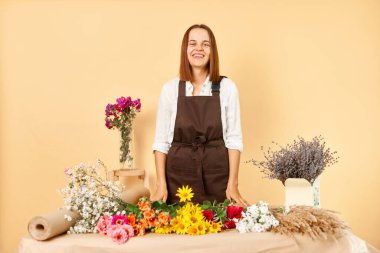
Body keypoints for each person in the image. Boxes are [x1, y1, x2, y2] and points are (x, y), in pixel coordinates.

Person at [151, 24, 248, 207]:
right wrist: (160, 184)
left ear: (212, 51)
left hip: (217, 176)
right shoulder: (170, 89)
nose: (199, 49)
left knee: (220, 229)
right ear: (185, 49)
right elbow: (161, 142)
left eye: (205, 44)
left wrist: (233, 184)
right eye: (193, 43)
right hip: (177, 177)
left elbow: (234, 140)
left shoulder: (227, 88)